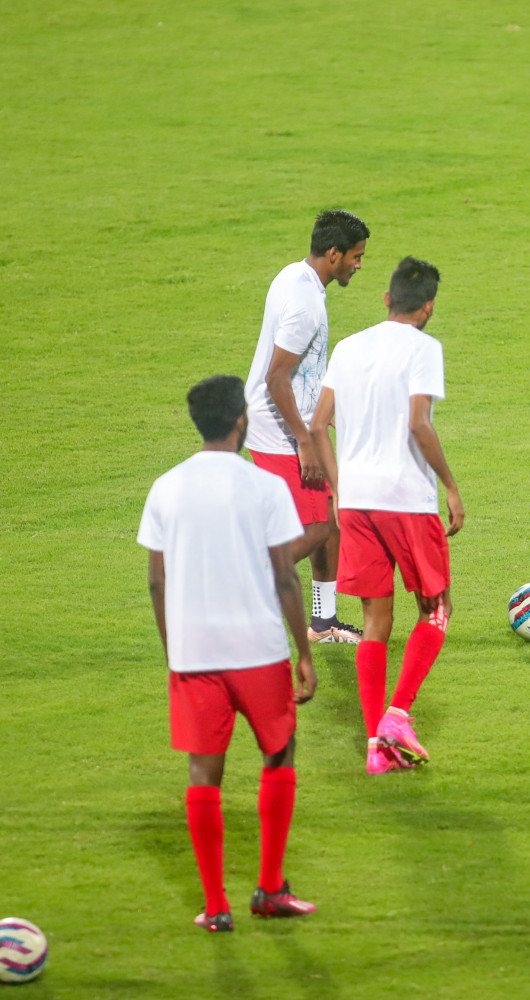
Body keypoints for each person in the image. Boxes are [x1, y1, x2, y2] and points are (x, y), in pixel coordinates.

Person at [137, 375, 319, 933]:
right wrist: (303, 653)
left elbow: (156, 583)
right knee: (279, 754)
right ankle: (269, 887)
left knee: (203, 773)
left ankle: (216, 907)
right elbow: (286, 577)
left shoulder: (166, 487)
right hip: (258, 650)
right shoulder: (263, 486)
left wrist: (176, 653)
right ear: (241, 420)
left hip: (195, 656)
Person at [310, 257, 464, 775]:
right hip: (405, 498)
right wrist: (450, 484)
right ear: (428, 307)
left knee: (376, 624)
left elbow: (318, 424)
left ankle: (378, 747)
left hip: (355, 502)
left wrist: (337, 485)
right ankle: (397, 715)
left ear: (385, 300)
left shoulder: (349, 347)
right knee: (435, 612)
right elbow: (420, 422)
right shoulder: (424, 348)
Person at [244, 209, 369, 645]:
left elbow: (298, 372)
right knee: (314, 527)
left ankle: (323, 621)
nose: (359, 264)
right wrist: (304, 439)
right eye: (355, 256)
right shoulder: (305, 304)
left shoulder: (294, 276)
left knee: (329, 523)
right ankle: (243, 585)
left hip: (291, 421)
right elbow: (276, 377)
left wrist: (320, 412)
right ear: (333, 253)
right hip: (280, 430)